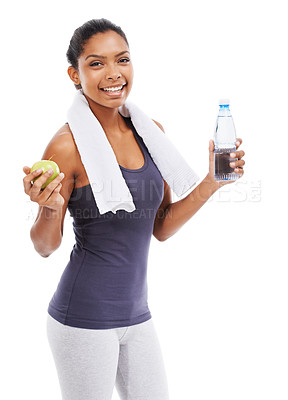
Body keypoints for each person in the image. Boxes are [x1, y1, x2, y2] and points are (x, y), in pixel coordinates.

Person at [23, 18, 245, 400]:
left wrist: (212, 181)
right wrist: (50, 207)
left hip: (137, 316)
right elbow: (44, 247)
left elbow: (160, 226)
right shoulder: (65, 147)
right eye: (96, 63)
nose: (113, 74)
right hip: (82, 319)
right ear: (74, 74)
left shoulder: (149, 130)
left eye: (122, 60)